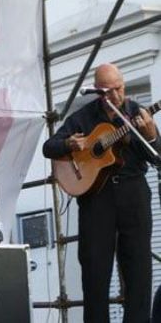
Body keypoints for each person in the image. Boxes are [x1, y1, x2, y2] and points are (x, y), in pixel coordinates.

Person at [43, 63, 158, 323]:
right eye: (107, 92)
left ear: (123, 86)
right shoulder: (82, 117)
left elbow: (157, 156)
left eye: (118, 89)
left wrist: (150, 136)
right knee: (95, 270)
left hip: (133, 193)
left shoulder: (138, 113)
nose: (114, 97)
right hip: (97, 199)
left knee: (138, 268)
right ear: (97, 92)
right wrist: (68, 143)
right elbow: (48, 147)